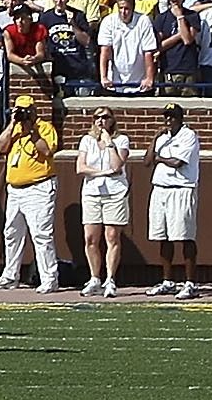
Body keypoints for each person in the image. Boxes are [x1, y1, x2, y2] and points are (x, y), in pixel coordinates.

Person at [0, 94, 61, 292]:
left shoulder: (45, 127)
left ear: (33, 110)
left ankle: (49, 279)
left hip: (38, 187)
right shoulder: (15, 129)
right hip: (15, 189)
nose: (22, 114)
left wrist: (32, 130)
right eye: (19, 110)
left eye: (25, 110)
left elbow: (47, 151)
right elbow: (0, 147)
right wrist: (13, 123)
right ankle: (10, 276)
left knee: (41, 234)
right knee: (12, 233)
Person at [76, 109, 133, 297]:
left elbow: (117, 165)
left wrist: (109, 142)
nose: (101, 120)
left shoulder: (121, 140)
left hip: (115, 192)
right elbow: (80, 167)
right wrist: (102, 173)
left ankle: (110, 279)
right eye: (97, 117)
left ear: (112, 120)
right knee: (90, 238)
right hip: (92, 192)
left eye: (105, 117)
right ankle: (95, 278)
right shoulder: (87, 140)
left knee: (112, 236)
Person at [146, 105, 201, 299]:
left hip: (181, 188)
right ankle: (167, 280)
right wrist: (155, 138)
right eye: (166, 117)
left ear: (180, 118)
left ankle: (190, 282)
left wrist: (159, 158)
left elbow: (178, 162)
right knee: (163, 236)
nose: (168, 121)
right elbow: (147, 161)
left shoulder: (188, 136)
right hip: (160, 188)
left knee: (185, 236)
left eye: (172, 117)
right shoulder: (162, 138)